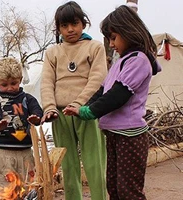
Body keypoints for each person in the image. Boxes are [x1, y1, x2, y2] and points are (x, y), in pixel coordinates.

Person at [63, 5, 162, 200]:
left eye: (114, 37)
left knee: (129, 191)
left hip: (130, 137)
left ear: (128, 32)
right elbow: (102, 90)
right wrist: (79, 106)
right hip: (116, 134)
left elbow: (118, 95)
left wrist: (89, 112)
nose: (111, 43)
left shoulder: (139, 60)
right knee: (115, 188)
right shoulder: (121, 62)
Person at [40, 1, 107, 200]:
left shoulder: (94, 47)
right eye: (64, 26)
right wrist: (49, 108)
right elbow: (46, 82)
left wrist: (78, 104)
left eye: (74, 24)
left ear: (83, 24)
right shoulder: (53, 52)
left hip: (87, 112)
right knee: (67, 165)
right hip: (60, 115)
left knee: (94, 163)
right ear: (58, 28)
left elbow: (97, 79)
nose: (70, 30)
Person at [0, 57, 43, 187]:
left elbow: (38, 111)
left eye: (14, 83)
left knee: (29, 185)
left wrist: (36, 118)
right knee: (6, 186)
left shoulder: (27, 99)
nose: (10, 88)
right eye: (4, 85)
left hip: (26, 150)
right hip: (4, 150)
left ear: (20, 80)